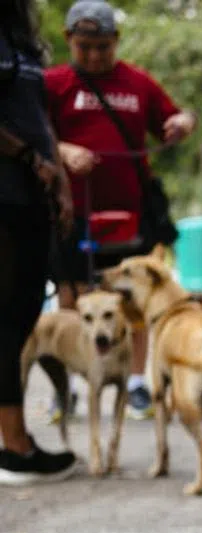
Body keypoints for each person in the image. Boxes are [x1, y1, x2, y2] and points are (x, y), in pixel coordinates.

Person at [44, 0, 197, 421]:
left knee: (134, 299)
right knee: (72, 296)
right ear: (68, 40)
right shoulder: (52, 84)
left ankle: (134, 383)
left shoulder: (137, 83)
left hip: (131, 212)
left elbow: (179, 115)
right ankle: (71, 384)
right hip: (71, 211)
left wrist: (182, 123)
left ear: (117, 41)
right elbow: (29, 137)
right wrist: (63, 150)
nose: (94, 55)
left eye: (103, 46)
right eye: (84, 45)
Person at [0, 0, 79, 484]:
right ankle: (13, 444)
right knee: (5, 317)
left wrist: (61, 181)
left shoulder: (24, 41)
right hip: (4, 191)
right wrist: (27, 155)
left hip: (34, 193)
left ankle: (18, 439)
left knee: (25, 311)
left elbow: (39, 117)